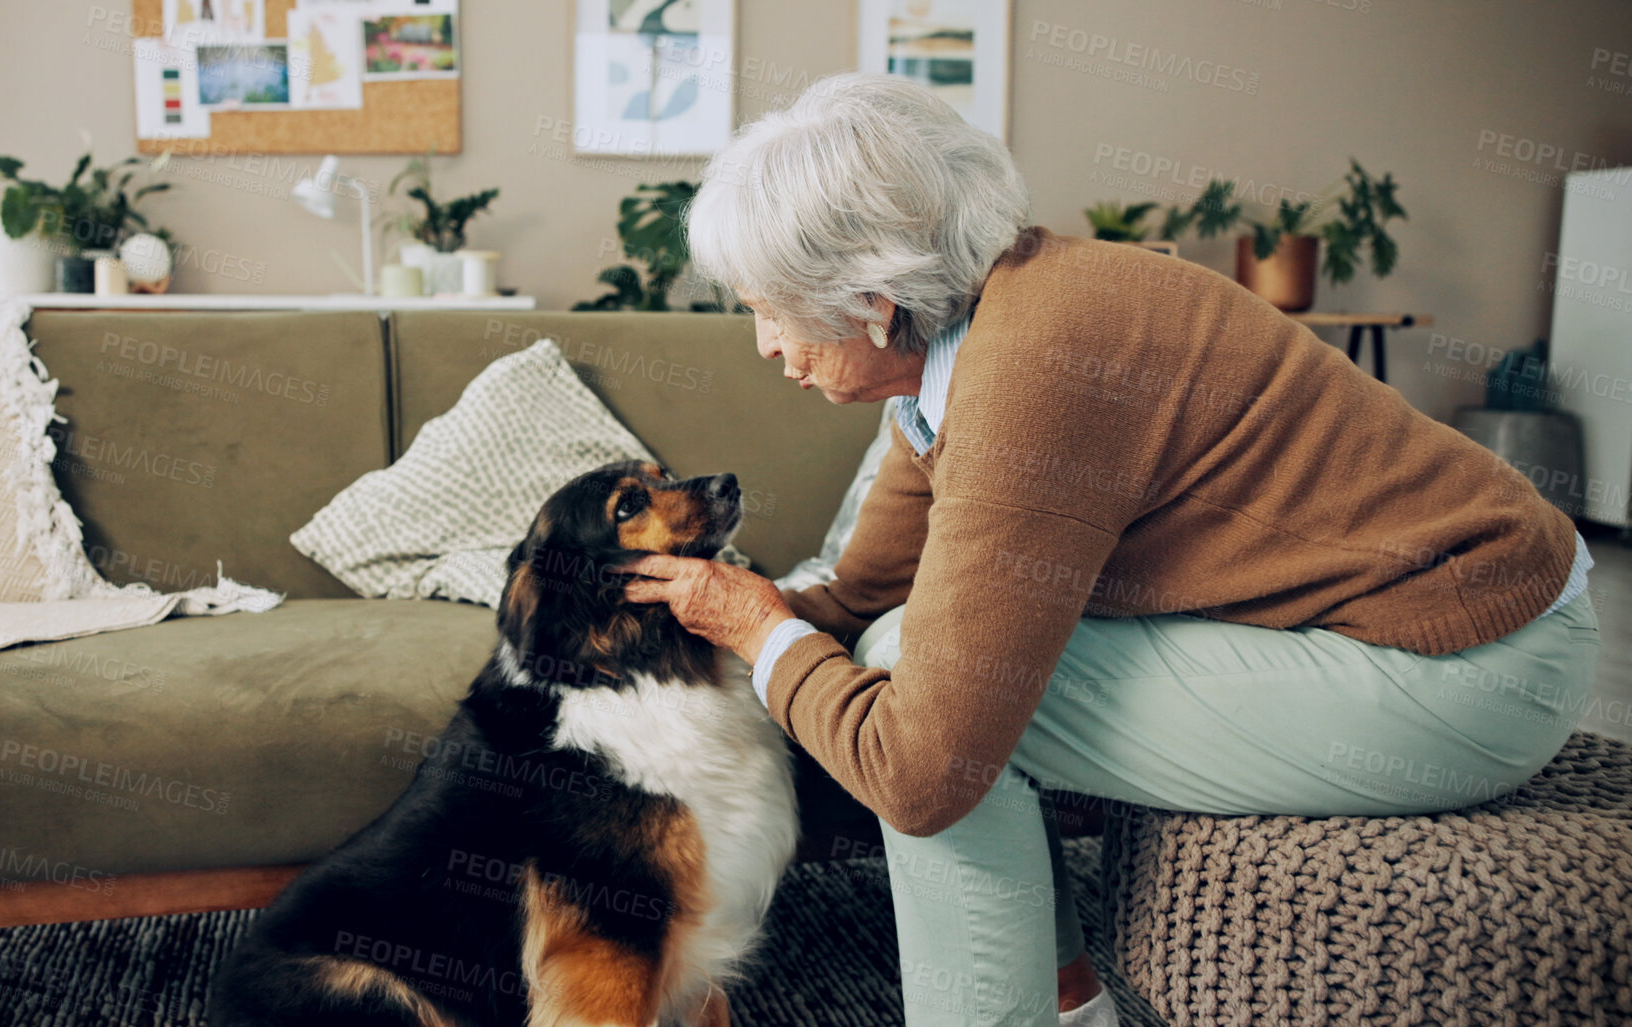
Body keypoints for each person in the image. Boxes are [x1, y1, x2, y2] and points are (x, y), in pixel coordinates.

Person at [619, 72, 1600, 1027]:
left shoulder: (1031, 372)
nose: (762, 344)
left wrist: (764, 635)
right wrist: (726, 613)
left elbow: (919, 777)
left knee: (915, 696)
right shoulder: (967, 340)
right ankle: (1059, 995)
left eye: (763, 308)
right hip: (1432, 621)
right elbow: (869, 586)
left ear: (872, 299)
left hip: (1473, 666)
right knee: (893, 645)